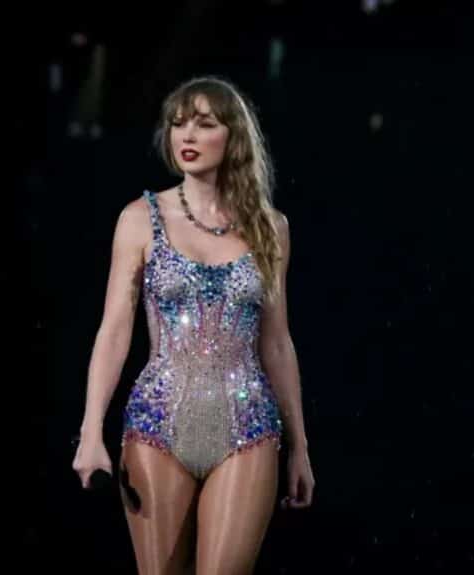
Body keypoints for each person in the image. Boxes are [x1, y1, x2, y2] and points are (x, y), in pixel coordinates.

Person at [72, 75, 315, 574]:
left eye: (204, 124)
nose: (187, 135)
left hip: (247, 428)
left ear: (233, 136)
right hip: (157, 425)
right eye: (178, 123)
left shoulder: (271, 228)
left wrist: (300, 448)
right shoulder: (140, 218)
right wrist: (90, 431)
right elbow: (114, 331)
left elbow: (277, 343)